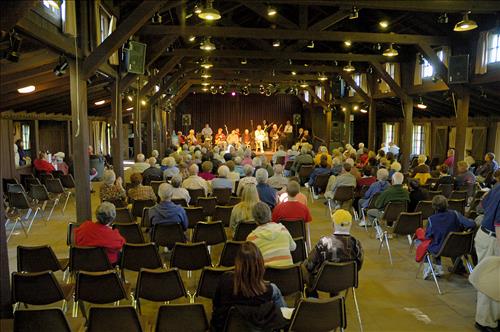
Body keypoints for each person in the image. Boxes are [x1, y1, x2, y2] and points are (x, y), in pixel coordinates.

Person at [210, 241, 287, 331]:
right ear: (260, 264)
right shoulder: (271, 290)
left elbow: (216, 307)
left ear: (238, 264)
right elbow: (282, 316)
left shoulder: (225, 280)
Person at [303, 209, 363, 297]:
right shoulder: (356, 244)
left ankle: (313, 296)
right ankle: (335, 296)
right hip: (346, 282)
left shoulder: (324, 242)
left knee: (303, 267)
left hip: (322, 282)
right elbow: (358, 266)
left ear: (333, 225)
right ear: (350, 224)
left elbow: (309, 265)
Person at [416, 195, 475, 279]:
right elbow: (471, 224)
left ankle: (433, 267)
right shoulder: (455, 214)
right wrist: (462, 229)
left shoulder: (431, 219)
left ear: (434, 206)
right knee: (451, 241)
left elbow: (428, 236)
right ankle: (458, 268)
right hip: (459, 246)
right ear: (446, 204)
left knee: (423, 242)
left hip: (440, 249)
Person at [473, 184, 500, 332]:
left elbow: (482, 205)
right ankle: (484, 321)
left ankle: (493, 317)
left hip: (487, 235)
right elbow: (499, 225)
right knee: (489, 281)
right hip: (493, 239)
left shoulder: (497, 186)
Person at [247, 202, 296, 267]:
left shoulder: (251, 238)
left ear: (255, 219)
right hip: (290, 274)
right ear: (270, 214)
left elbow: (251, 261)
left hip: (266, 275)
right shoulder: (282, 229)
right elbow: (293, 247)